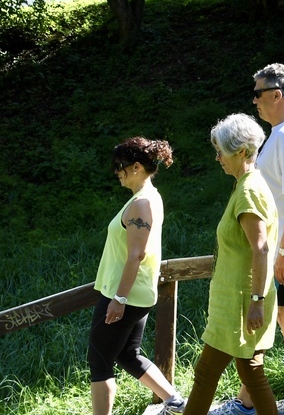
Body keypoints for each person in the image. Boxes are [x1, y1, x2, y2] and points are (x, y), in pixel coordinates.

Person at [212, 64, 284, 415]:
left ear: (277, 95)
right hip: (281, 249)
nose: (254, 100)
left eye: (258, 93)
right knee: (279, 319)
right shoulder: (283, 132)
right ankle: (251, 399)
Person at [186, 114, 280, 415]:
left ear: (241, 152)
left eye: (221, 151)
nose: (217, 158)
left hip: (241, 303)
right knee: (251, 372)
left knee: (206, 374)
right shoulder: (246, 185)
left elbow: (261, 249)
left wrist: (256, 302)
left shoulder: (249, 191)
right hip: (236, 300)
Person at [88, 137, 185, 415]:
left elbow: (136, 255)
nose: (117, 171)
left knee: (99, 361)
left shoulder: (141, 203)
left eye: (120, 165)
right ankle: (175, 401)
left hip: (125, 294)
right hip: (136, 293)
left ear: (137, 167)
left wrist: (118, 298)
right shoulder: (148, 198)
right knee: (127, 354)